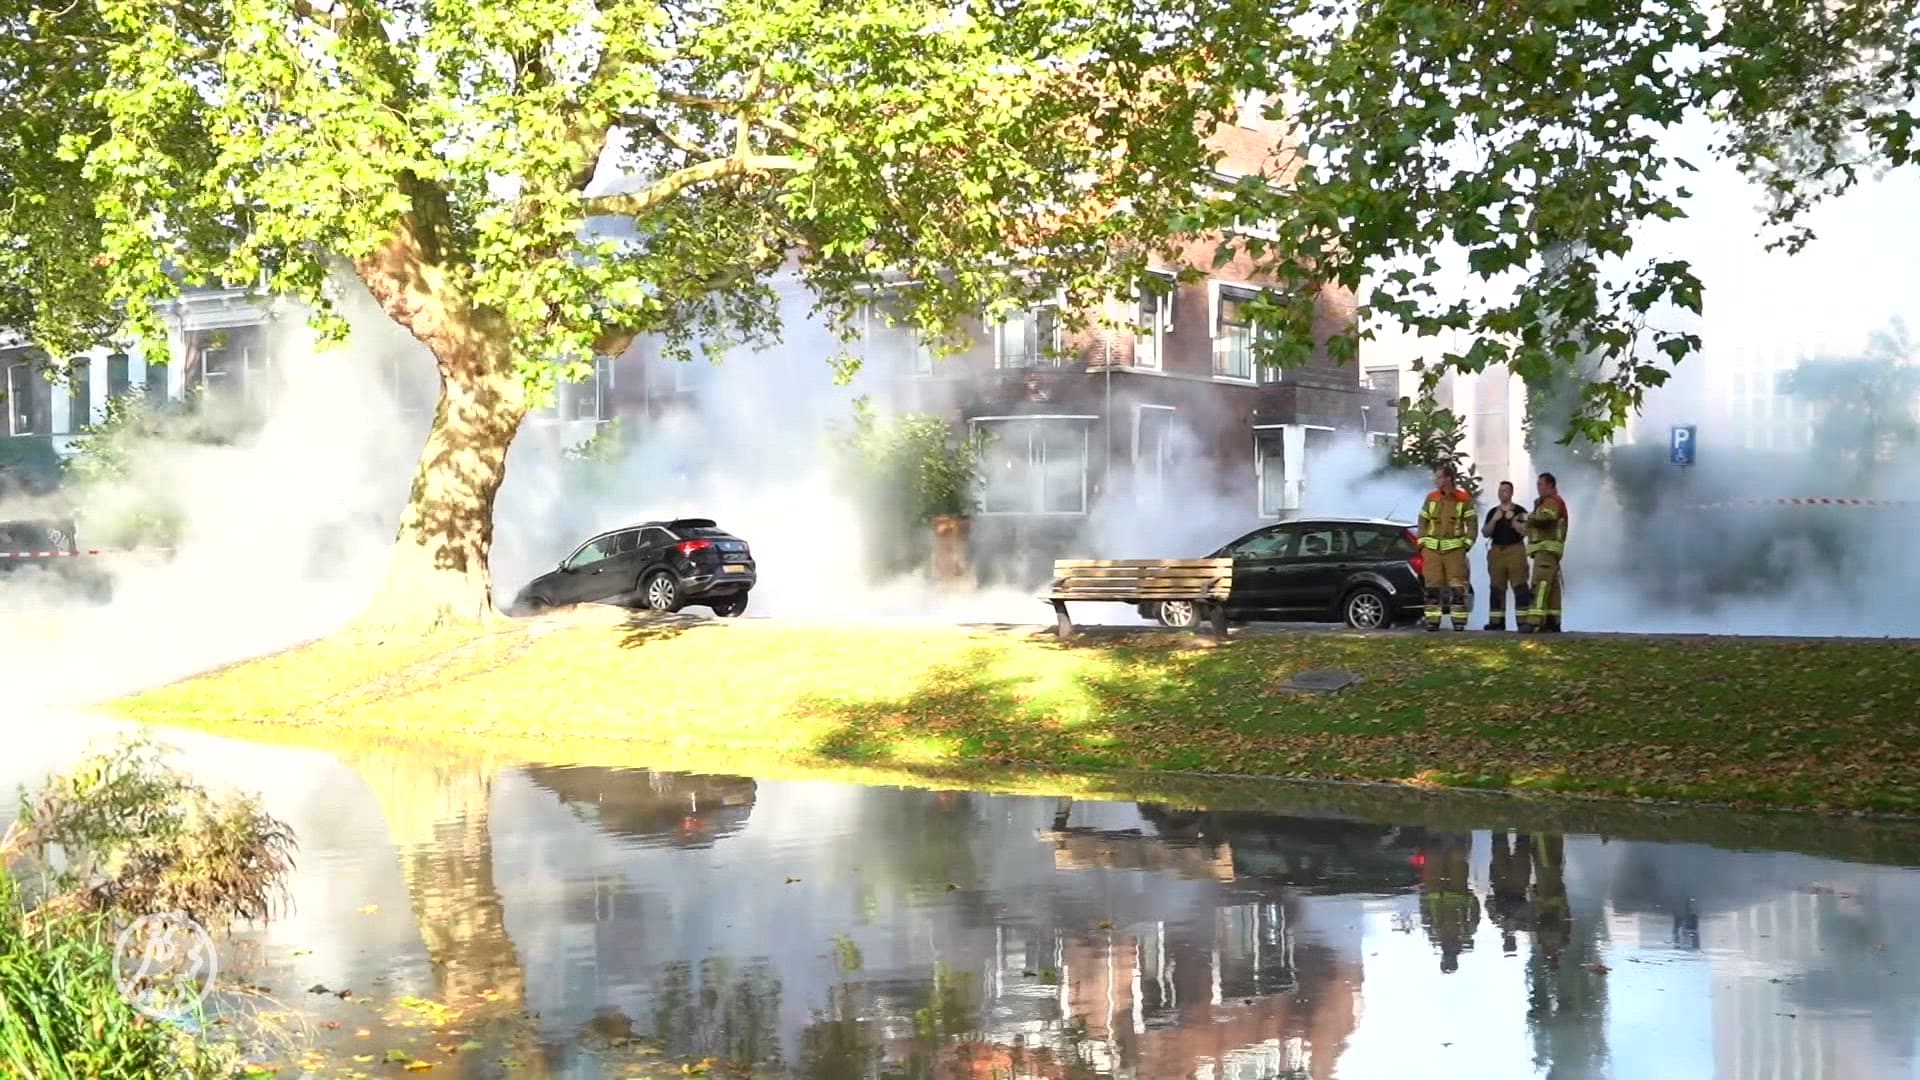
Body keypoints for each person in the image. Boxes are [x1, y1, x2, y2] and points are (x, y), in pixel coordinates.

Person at [1417, 465, 1476, 631]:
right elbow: (1422, 521)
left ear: (1448, 479)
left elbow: (1472, 524)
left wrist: (1466, 545)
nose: (1436, 480)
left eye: (1439, 477)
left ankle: (1459, 622)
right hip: (1432, 551)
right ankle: (1432, 621)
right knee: (1432, 587)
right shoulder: (1431, 498)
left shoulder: (1463, 498)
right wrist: (1422, 544)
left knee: (1458, 588)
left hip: (1455, 551)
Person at [1520, 471, 1569, 632]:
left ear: (1550, 485)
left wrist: (1526, 517)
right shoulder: (1550, 502)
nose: (1538, 487)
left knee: (1539, 584)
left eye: (1540, 484)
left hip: (1545, 550)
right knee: (1552, 587)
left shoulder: (1551, 501)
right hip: (1549, 551)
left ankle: (1534, 621)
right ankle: (1552, 621)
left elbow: (1546, 518)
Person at [1481, 481, 1529, 631]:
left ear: (1511, 493)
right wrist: (1494, 520)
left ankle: (1523, 622)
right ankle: (1496, 622)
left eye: (1505, 490)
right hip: (1497, 551)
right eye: (1500, 490)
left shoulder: (1520, 511)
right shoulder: (1493, 512)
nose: (1502, 493)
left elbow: (1527, 531)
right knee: (1496, 587)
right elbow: (1485, 533)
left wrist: (1514, 522)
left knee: (1520, 586)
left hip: (1516, 550)